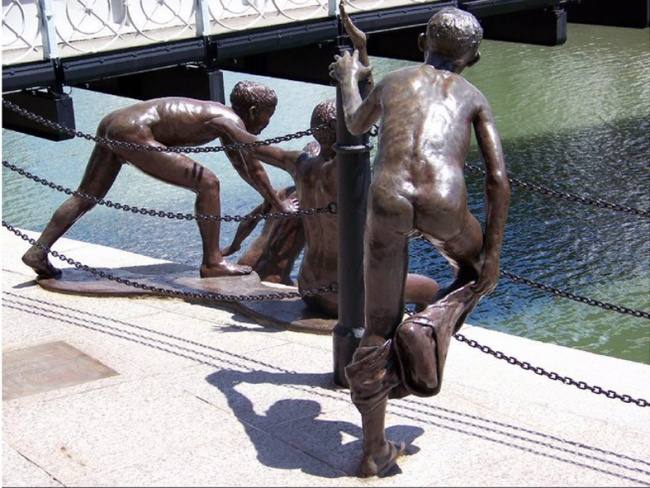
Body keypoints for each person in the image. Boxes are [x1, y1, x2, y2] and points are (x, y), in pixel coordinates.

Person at [329, 6, 511, 476]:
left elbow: (353, 121)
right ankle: (427, 329)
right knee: (474, 273)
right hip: (443, 203)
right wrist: (492, 253)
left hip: (387, 199)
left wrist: (351, 72)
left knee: (377, 322)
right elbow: (497, 179)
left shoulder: (393, 82)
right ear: (473, 56)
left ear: (420, 43)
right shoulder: (473, 95)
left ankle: (373, 448)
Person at [21, 82, 297, 279]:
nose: (267, 123)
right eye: (267, 116)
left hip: (115, 122)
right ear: (251, 111)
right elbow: (255, 165)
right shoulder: (229, 120)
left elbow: (244, 167)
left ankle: (38, 251)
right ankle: (213, 262)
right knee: (208, 184)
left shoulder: (220, 114)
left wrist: (269, 199)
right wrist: (277, 203)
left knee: (86, 196)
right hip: (135, 130)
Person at [214, 98, 440, 316]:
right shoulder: (345, 170)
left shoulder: (299, 165)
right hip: (346, 296)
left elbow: (253, 146)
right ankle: (414, 335)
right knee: (431, 290)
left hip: (310, 288)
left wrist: (226, 125)